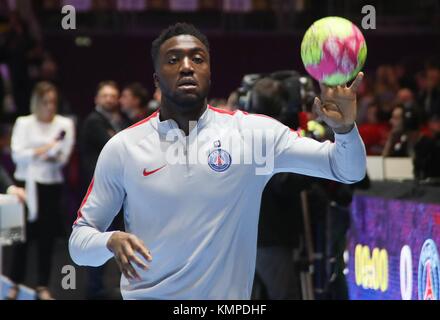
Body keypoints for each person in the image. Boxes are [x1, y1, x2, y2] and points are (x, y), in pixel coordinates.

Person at [69, 23, 366, 300]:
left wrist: (344, 130)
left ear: (210, 72)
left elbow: (346, 169)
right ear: (157, 79)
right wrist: (109, 241)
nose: (187, 67)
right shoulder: (123, 148)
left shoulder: (253, 135)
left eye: (197, 59)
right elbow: (79, 244)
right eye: (173, 60)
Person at [9, 81, 75, 300]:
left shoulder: (64, 123)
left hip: (50, 186)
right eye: (45, 102)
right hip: (23, 185)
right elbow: (17, 155)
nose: (50, 106)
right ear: (37, 103)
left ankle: (42, 285)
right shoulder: (23, 122)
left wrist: (34, 152)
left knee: (47, 239)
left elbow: (61, 159)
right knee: (18, 238)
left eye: (53, 102)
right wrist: (46, 150)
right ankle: (13, 283)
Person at [80, 80, 128, 299]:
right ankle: (94, 289)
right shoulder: (93, 121)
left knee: (114, 237)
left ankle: (105, 286)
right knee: (97, 237)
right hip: (97, 190)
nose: (109, 99)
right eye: (105, 95)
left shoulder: (117, 121)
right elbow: (116, 145)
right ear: (96, 99)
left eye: (113, 95)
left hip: (115, 189)